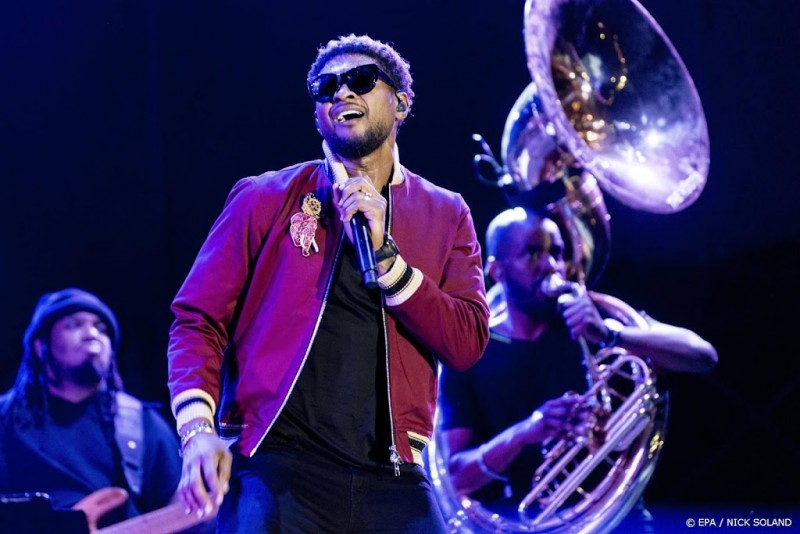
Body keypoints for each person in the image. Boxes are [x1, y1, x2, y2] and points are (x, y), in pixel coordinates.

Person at [167, 34, 490, 532]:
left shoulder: (445, 213)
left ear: (401, 104)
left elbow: (467, 342)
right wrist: (196, 432)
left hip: (395, 478)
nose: (342, 92)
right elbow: (197, 320)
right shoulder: (264, 197)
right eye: (326, 87)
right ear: (318, 114)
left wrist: (390, 261)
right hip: (277, 463)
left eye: (360, 79)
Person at [437, 207, 718, 530]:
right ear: (496, 270)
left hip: (623, 523)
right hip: (535, 525)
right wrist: (526, 432)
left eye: (557, 252)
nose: (551, 265)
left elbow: (703, 356)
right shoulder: (469, 351)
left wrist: (610, 334)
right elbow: (457, 476)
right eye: (533, 253)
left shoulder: (594, 319)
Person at [0, 288, 187, 532]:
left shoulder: (141, 422)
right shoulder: (6, 419)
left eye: (101, 328)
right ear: (40, 345)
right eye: (74, 325)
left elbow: (180, 507)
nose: (91, 334)